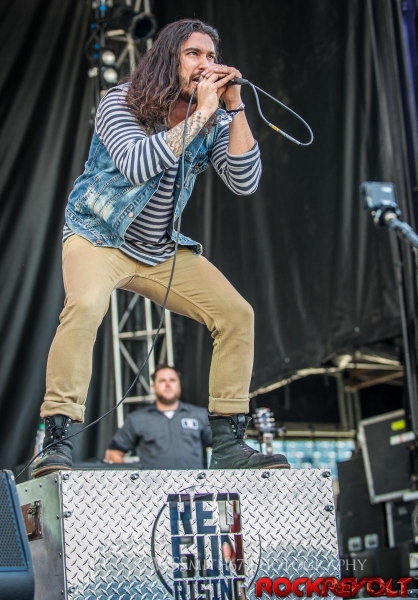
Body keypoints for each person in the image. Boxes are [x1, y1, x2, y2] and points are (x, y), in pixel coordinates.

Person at [32, 18, 289, 478]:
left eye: (211, 56)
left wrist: (235, 108)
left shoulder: (213, 117)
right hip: (98, 236)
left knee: (237, 314)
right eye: (194, 54)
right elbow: (136, 164)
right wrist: (201, 115)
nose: (205, 64)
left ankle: (228, 443)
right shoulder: (121, 102)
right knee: (86, 305)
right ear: (169, 58)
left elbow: (245, 181)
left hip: (159, 249)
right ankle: (56, 438)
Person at [105, 365, 212, 469]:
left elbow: (219, 446)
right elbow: (113, 453)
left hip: (193, 481)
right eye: (162, 381)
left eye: (172, 380)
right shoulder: (137, 419)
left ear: (179, 384)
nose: (168, 384)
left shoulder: (199, 415)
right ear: (153, 387)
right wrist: (128, 479)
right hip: (152, 481)